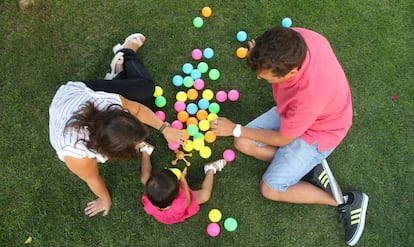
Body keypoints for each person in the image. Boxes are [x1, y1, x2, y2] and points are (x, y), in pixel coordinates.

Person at [210, 27, 368, 246]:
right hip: (297, 114)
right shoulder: (297, 39)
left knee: (270, 188)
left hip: (321, 129)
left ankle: (345, 200)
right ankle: (307, 167)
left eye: (264, 76)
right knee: (242, 143)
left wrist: (235, 128)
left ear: (291, 73)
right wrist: (259, 54)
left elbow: (284, 138)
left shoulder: (307, 97)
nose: (258, 77)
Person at [49, 33, 186, 217]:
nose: (139, 145)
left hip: (78, 93)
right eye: (135, 145)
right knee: (148, 100)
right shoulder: (76, 155)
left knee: (147, 90)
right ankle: (122, 64)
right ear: (110, 153)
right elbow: (93, 179)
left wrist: (164, 128)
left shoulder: (108, 104)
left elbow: (136, 110)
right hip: (66, 114)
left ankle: (123, 58)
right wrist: (105, 199)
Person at [141, 159, 227, 224]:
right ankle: (210, 169)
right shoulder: (181, 203)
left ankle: (145, 151)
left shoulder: (147, 202)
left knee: (145, 178)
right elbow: (188, 199)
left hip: (164, 218)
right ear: (177, 193)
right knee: (205, 195)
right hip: (180, 208)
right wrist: (183, 181)